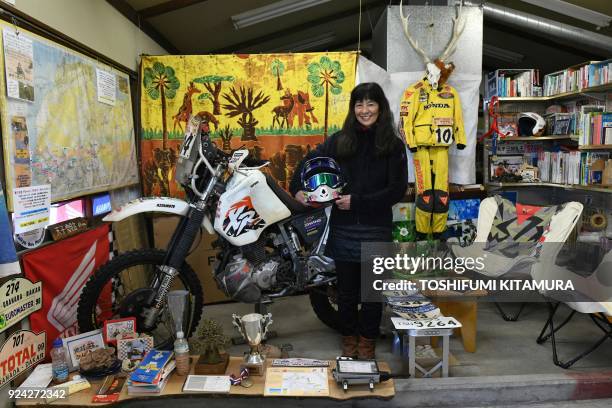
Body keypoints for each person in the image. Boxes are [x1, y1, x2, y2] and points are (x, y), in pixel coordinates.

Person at [289, 82, 408, 359]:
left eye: (370, 104)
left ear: (381, 107)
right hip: (343, 229)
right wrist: (298, 188)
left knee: (371, 293)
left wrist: (358, 201)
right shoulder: (340, 140)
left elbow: (397, 189)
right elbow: (309, 161)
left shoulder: (393, 145)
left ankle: (367, 340)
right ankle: (348, 337)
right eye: (359, 104)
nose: (364, 110)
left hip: (376, 227)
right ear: (353, 108)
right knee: (346, 292)